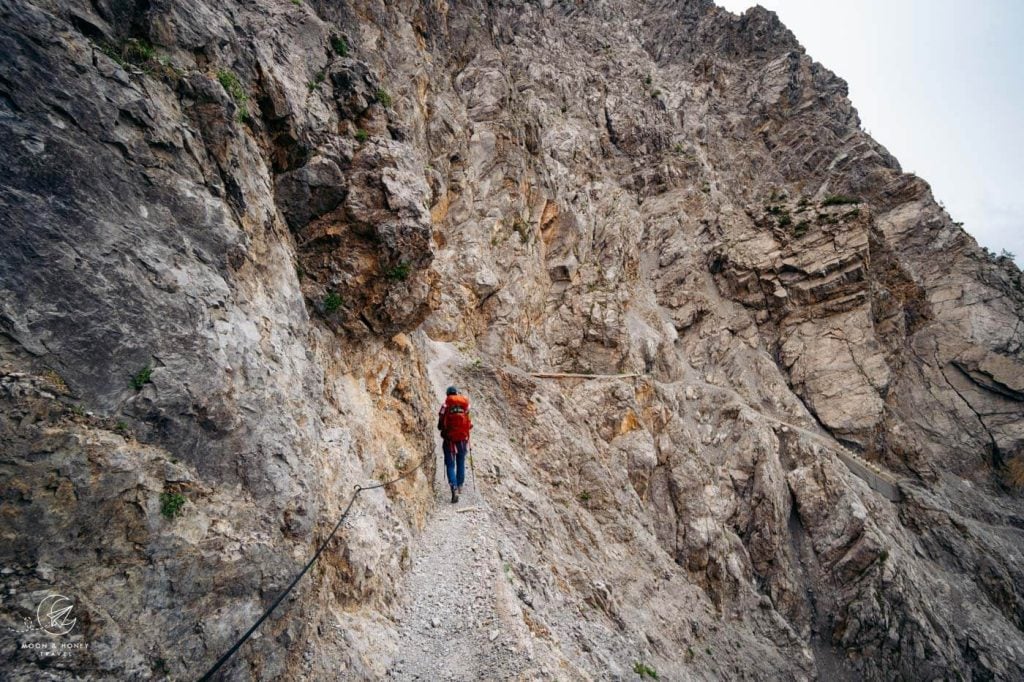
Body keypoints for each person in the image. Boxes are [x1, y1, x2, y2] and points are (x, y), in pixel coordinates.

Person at [438, 386, 472, 503]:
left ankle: (454, 487)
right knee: (461, 461)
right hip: (462, 439)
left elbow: (440, 425)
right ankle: (460, 484)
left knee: (450, 464)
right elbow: (469, 423)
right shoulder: (465, 406)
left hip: (449, 440)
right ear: (456, 394)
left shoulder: (445, 406)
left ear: (447, 395)